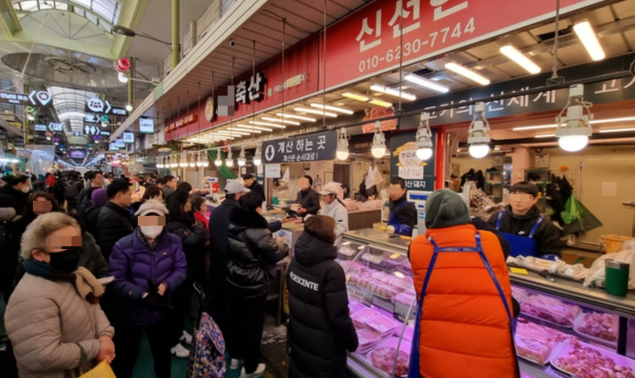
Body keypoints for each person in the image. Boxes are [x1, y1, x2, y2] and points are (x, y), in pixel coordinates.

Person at [409, 190, 518, 378]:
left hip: (440, 341)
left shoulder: (417, 246)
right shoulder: (491, 241)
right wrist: (475, 221)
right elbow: (503, 246)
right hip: (489, 344)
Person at [4, 213, 115, 378]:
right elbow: (42, 356)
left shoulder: (72, 275)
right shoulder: (32, 295)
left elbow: (93, 306)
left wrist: (105, 335)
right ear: (38, 254)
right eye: (63, 244)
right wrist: (96, 347)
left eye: (75, 241)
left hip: (85, 368)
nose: (73, 250)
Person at [105, 200, 187, 378]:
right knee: (126, 357)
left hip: (161, 310)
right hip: (131, 313)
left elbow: (180, 269)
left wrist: (166, 285)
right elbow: (116, 279)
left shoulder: (174, 242)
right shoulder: (123, 245)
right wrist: (140, 294)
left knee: (162, 355)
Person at [226, 192, 289, 377]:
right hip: (254, 284)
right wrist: (282, 244)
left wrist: (278, 223)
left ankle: (236, 357)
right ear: (257, 209)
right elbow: (276, 254)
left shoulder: (233, 224)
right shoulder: (260, 232)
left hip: (234, 278)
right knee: (253, 326)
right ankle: (251, 368)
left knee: (237, 320)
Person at [286, 216, 358, 378]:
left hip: (299, 338)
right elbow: (338, 317)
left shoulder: (297, 259)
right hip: (324, 350)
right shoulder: (332, 270)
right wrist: (352, 342)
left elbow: (293, 289)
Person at [165, 190, 207, 358]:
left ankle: (179, 332)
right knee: (175, 306)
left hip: (185, 270)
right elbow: (193, 242)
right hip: (177, 272)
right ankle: (173, 342)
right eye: (188, 203)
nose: (191, 206)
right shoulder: (174, 224)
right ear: (182, 206)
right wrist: (198, 229)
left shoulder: (177, 221)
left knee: (180, 305)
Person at [207, 180, 249, 334]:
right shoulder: (239, 213)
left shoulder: (216, 211)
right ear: (237, 195)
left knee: (219, 299)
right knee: (233, 302)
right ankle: (231, 332)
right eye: (243, 193)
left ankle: (216, 328)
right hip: (233, 262)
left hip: (217, 260)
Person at [488, 182, 562, 258]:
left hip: (529, 269)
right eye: (514, 196)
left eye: (524, 197)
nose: (518, 201)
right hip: (496, 266)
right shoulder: (496, 218)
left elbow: (551, 256)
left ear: (535, 200)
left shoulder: (545, 227)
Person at [96, 178, 134, 260]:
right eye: (129, 195)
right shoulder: (110, 218)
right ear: (119, 195)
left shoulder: (119, 212)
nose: (131, 198)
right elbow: (109, 248)